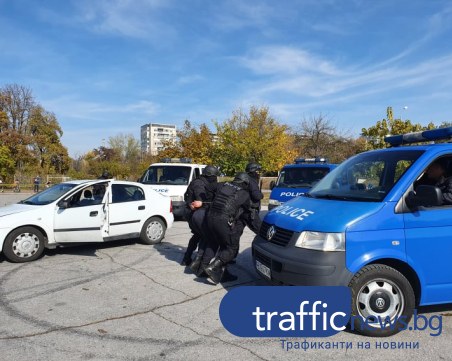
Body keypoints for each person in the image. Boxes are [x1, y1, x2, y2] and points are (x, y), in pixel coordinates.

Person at [198, 172, 252, 284]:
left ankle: (204, 269)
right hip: (222, 220)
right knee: (231, 247)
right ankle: (213, 267)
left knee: (213, 242)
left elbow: (208, 187)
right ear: (245, 183)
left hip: (209, 217)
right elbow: (247, 211)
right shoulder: (244, 194)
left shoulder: (222, 184)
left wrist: (211, 199)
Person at [181, 165, 220, 266]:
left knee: (197, 235)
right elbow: (200, 199)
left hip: (194, 212)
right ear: (209, 175)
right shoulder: (199, 184)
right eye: (215, 176)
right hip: (194, 213)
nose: (215, 178)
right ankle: (197, 261)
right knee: (205, 236)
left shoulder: (201, 181)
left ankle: (187, 258)